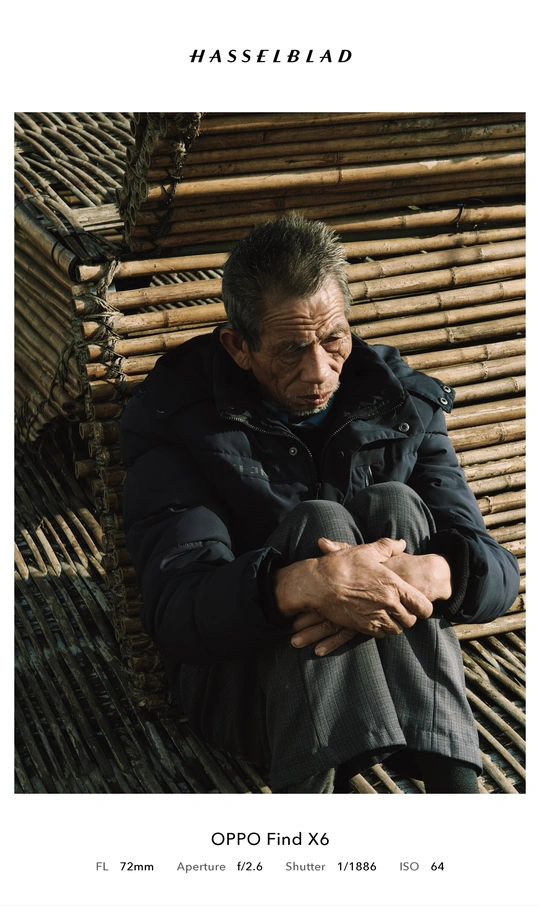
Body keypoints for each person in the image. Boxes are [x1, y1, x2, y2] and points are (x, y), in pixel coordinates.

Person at [120, 213, 520, 793]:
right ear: (239, 346)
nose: (319, 371)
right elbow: (177, 611)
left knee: (395, 503)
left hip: (394, 676)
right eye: (290, 350)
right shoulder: (176, 419)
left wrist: (438, 571)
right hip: (249, 687)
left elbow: (498, 572)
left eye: (334, 340)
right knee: (319, 523)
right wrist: (301, 585)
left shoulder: (401, 403)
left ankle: (453, 792)